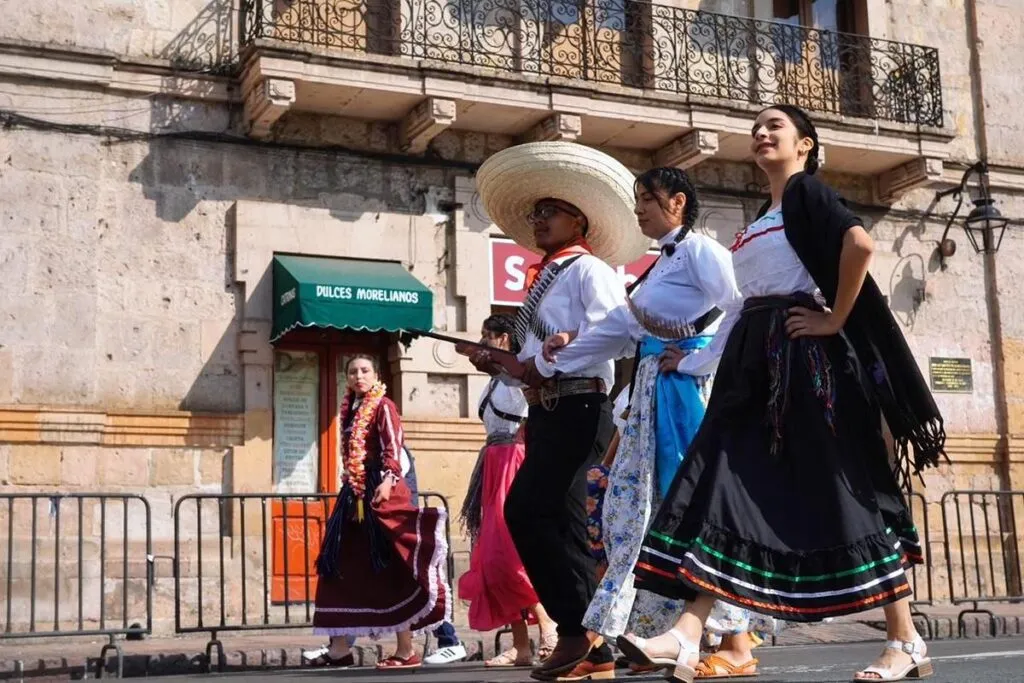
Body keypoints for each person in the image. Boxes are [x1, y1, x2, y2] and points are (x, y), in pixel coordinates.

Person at [619, 105, 945, 683]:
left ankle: (905, 638)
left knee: (842, 487)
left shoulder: (804, 192)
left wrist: (832, 320)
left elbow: (860, 247)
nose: (762, 134)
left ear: (806, 145)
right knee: (721, 476)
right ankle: (687, 631)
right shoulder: (763, 212)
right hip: (756, 362)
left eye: (776, 127)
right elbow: (745, 298)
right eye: (756, 129)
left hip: (804, 361)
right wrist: (704, 360)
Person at [540, 167, 772, 679]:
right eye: (637, 199)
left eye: (647, 199)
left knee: (685, 505)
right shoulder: (655, 266)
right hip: (650, 394)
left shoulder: (701, 253)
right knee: (636, 513)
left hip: (684, 393)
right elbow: (617, 331)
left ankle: (733, 641)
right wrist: (551, 358)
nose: (639, 208)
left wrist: (692, 363)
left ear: (678, 202)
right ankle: (643, 636)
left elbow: (739, 312)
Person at [465, 141, 651, 681]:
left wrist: (555, 359)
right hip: (548, 410)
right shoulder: (548, 278)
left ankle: (579, 632)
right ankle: (590, 639)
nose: (538, 219)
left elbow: (617, 335)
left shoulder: (588, 270)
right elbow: (536, 358)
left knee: (536, 512)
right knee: (556, 518)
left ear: (579, 219)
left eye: (549, 211)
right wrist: (500, 363)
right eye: (535, 212)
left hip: (579, 404)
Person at [309, 355, 450, 671]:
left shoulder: (384, 405)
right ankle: (340, 647)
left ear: (376, 375)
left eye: (364, 371)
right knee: (340, 562)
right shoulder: (350, 410)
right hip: (355, 491)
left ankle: (406, 650)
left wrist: (387, 481)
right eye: (353, 372)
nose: (359, 376)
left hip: (382, 489)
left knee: (392, 563)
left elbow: (392, 449)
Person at [458, 313, 559, 667]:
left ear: (505, 339)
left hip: (513, 463)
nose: (484, 340)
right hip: (491, 463)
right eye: (483, 334)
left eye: (489, 335)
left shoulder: (517, 374)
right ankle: (521, 645)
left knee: (508, 553)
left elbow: (536, 407)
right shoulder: (490, 384)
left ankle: (547, 624)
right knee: (490, 558)